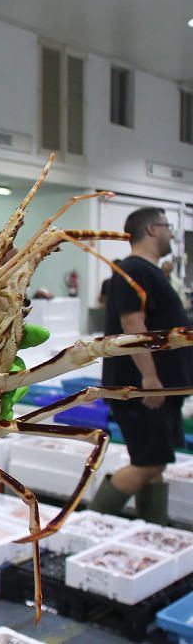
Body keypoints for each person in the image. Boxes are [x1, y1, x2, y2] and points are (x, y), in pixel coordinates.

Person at [91, 207, 193, 524]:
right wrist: (150, 376)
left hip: (157, 390)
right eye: (167, 226)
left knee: (155, 464)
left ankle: (154, 531)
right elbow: (131, 322)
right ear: (151, 229)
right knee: (148, 464)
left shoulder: (149, 272)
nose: (171, 233)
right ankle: (89, 524)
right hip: (144, 391)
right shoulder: (132, 270)